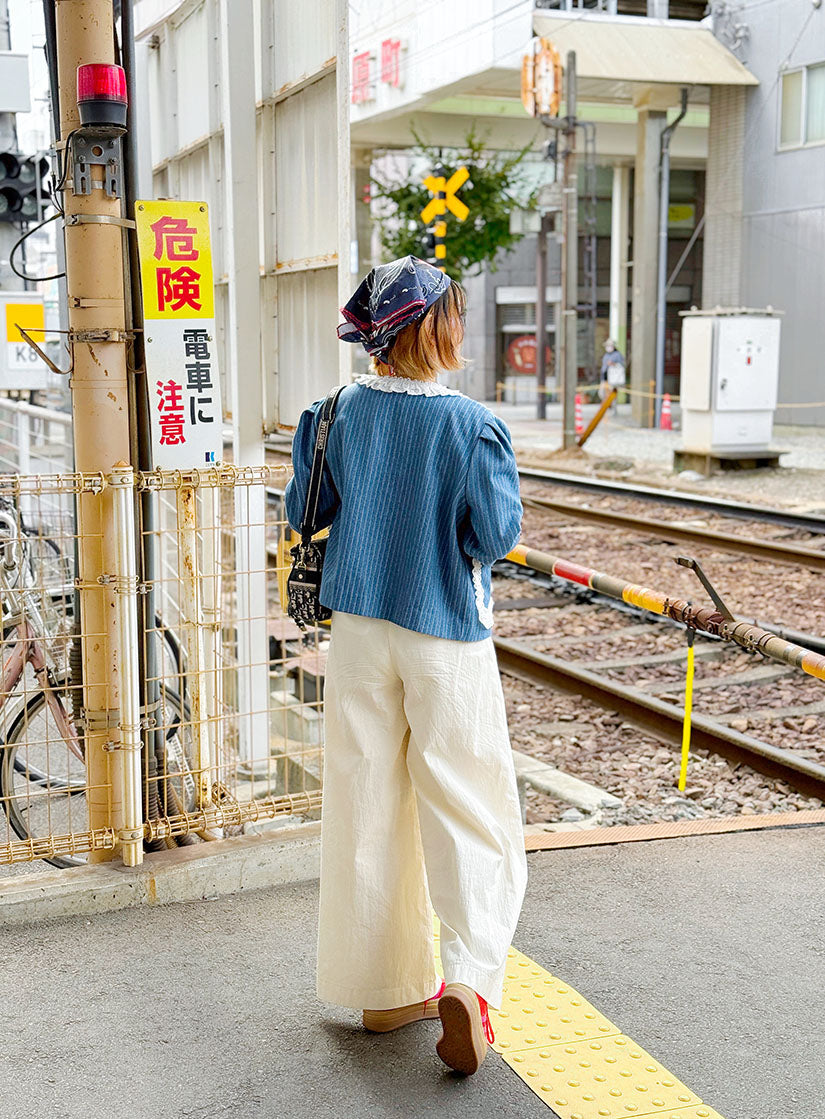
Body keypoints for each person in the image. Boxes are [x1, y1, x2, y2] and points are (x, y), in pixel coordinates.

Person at [284, 255, 527, 1077]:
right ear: (439, 326)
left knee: (365, 800)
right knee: (466, 805)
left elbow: (303, 510)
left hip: (357, 628)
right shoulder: (469, 424)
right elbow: (493, 536)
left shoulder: (335, 411)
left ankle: (382, 990)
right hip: (443, 632)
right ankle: (466, 983)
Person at [600, 338, 626, 403]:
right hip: (605, 377)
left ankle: (613, 409)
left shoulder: (617, 354)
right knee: (602, 393)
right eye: (607, 346)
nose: (608, 347)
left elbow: (621, 365)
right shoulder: (606, 355)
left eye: (610, 345)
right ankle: (606, 406)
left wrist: (613, 364)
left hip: (613, 378)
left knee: (612, 394)